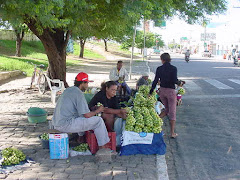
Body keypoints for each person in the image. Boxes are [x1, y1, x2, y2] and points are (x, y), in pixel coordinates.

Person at [52, 72, 110, 150]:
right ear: (83, 83)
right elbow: (86, 115)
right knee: (98, 121)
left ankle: (80, 138)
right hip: (66, 124)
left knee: (80, 116)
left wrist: (92, 109)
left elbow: (80, 112)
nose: (87, 86)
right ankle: (103, 149)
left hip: (57, 123)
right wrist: (98, 110)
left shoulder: (68, 90)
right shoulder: (78, 93)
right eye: (87, 83)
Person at [149, 53, 185, 139]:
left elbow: (155, 81)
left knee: (167, 109)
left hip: (162, 92)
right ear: (169, 59)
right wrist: (180, 83)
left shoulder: (159, 69)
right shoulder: (173, 68)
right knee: (172, 111)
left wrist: (150, 92)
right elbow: (174, 80)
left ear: (162, 59)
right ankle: (172, 133)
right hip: (170, 92)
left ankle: (154, 122)